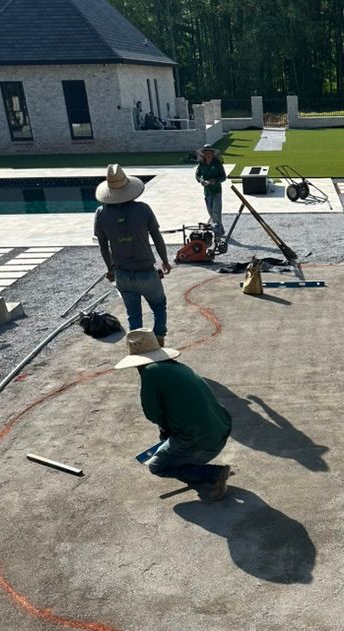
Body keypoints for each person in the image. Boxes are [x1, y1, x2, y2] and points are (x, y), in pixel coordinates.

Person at [115, 330, 232, 501]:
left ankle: (214, 474)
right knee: (171, 447)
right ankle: (192, 467)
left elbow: (152, 413)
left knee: (157, 466)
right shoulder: (179, 367)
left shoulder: (150, 372)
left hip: (202, 440)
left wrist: (166, 428)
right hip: (220, 430)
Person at [94, 164, 172, 346]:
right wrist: (165, 261)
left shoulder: (101, 213)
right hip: (145, 270)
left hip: (122, 272)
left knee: (134, 314)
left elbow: (103, 245)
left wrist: (110, 269)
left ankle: (138, 345)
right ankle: (159, 338)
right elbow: (156, 236)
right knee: (158, 305)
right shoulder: (143, 209)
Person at [195, 145, 226, 236]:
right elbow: (197, 175)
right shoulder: (201, 164)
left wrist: (214, 180)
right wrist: (201, 180)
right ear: (203, 154)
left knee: (216, 211)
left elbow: (223, 177)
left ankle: (217, 232)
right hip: (207, 191)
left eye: (209, 153)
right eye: (206, 153)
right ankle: (220, 229)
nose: (207, 155)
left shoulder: (217, 164)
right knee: (210, 212)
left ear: (212, 154)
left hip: (216, 190)